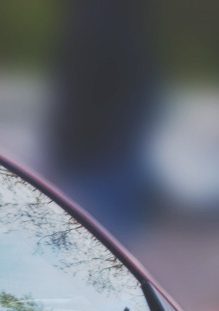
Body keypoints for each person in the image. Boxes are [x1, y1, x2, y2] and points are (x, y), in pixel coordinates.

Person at [48, 0, 158, 243]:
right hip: (109, 156)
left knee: (95, 242)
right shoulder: (118, 24)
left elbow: (82, 95)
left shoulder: (96, 24)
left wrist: (66, 151)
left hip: (97, 160)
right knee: (110, 244)